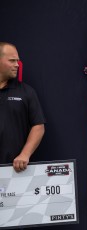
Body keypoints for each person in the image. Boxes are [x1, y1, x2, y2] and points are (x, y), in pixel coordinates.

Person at [0, 42, 46, 172]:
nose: (17, 65)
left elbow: (38, 126)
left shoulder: (26, 92)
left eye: (17, 61)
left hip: (13, 171)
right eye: (12, 61)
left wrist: (25, 154)